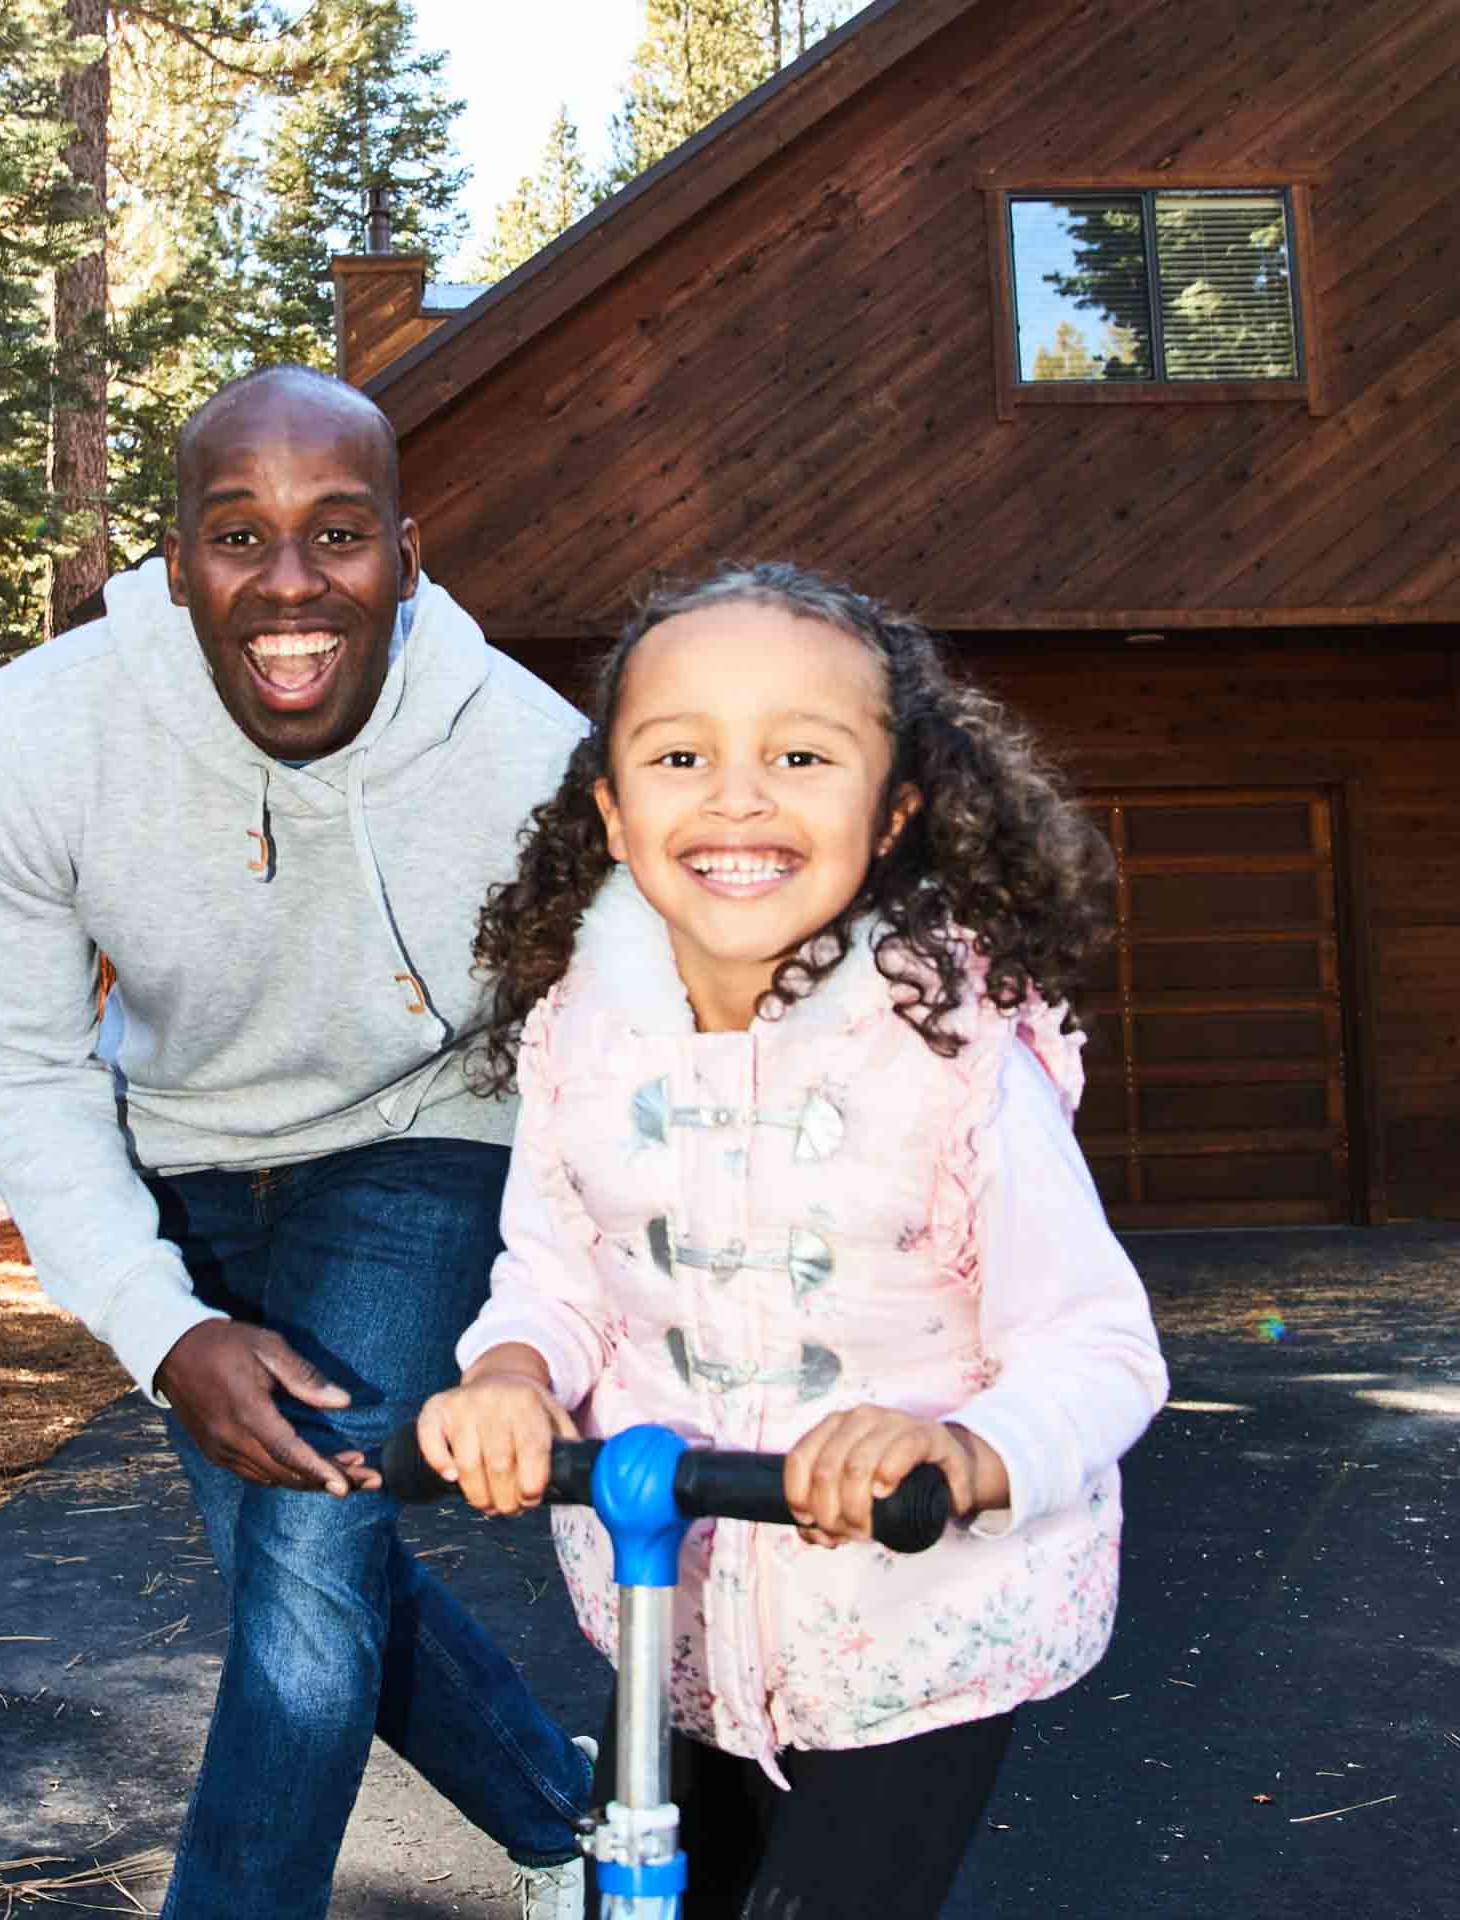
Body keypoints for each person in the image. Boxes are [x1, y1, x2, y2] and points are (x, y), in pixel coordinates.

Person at [414, 565, 1171, 1920]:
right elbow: (555, 1272)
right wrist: (514, 1373)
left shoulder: (949, 1056)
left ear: (893, 813)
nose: (739, 794)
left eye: (801, 754)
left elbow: (1101, 1347)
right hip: (681, 1621)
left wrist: (962, 1450)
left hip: (918, 1628)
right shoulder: (582, 1035)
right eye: (683, 753)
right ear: (613, 807)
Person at [0, 365, 596, 1920]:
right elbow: (22, 1064)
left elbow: (645, 1002)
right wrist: (166, 1331)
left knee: (306, 1558)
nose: (291, 583)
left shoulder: (525, 753)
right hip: (181, 1151)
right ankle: (565, 1816)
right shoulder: (47, 732)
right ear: (176, 564)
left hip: (427, 1129)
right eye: (239, 535)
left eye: (340, 534)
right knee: (313, 1563)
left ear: (408, 557)